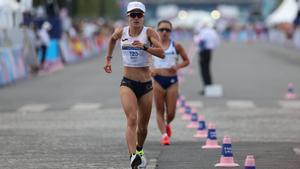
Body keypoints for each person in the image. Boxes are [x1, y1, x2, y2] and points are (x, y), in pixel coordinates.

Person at [103, 1, 164, 169]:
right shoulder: (121, 32)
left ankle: (139, 150)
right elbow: (112, 39)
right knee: (131, 119)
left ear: (143, 16)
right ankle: (133, 157)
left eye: (139, 15)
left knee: (143, 128)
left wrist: (145, 47)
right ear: (128, 16)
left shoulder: (149, 32)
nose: (136, 18)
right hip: (127, 82)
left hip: (145, 85)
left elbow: (162, 53)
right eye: (133, 15)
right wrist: (108, 59)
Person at [151, 20, 190, 145]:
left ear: (170, 32)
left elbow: (186, 61)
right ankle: (164, 135)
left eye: (167, 30)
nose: (164, 32)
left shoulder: (176, 45)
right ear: (157, 31)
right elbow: (143, 62)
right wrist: (150, 70)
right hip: (157, 81)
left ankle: (167, 124)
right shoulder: (152, 46)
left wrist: (177, 66)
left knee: (171, 112)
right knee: (159, 110)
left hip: (172, 81)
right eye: (161, 29)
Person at [194, 24, 220, 95]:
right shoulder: (213, 32)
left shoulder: (202, 32)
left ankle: (206, 87)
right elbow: (217, 42)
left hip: (203, 51)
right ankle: (209, 86)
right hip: (209, 51)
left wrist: (199, 50)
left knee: (204, 71)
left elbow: (199, 41)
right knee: (207, 69)